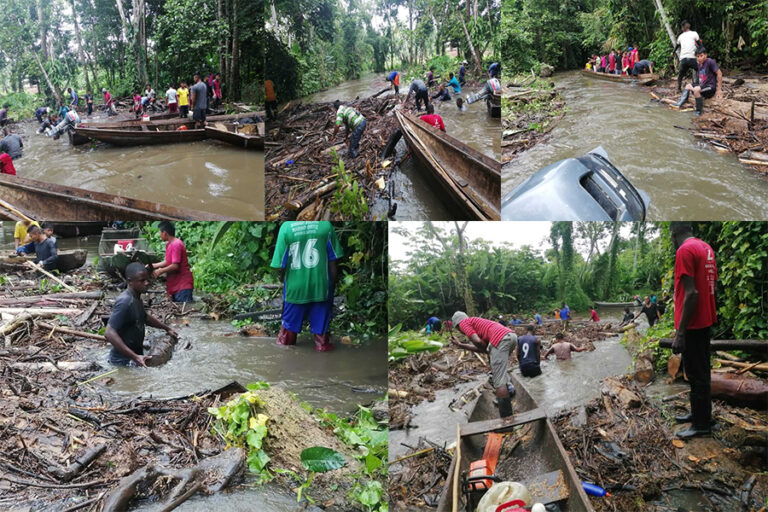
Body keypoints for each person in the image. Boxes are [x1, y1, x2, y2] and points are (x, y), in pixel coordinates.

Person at [670, 222, 718, 439]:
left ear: (673, 234)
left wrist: (680, 333)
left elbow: (692, 294)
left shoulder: (684, 251)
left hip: (692, 324)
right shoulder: (706, 248)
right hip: (703, 320)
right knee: (699, 372)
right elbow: (711, 286)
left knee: (697, 376)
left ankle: (701, 426)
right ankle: (699, 414)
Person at [270, 221, 344, 352]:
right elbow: (333, 260)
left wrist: (283, 278)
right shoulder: (325, 226)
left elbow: (278, 265)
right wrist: (331, 285)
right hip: (321, 287)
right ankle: (323, 361)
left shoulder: (287, 227)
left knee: (285, 340)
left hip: (295, 289)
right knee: (323, 340)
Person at [105, 262, 179, 367]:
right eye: (142, 280)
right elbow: (109, 332)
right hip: (122, 362)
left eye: (147, 279)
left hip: (134, 357)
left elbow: (145, 317)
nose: (146, 283)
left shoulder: (136, 297)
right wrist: (135, 357)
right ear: (130, 281)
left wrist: (167, 328)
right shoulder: (125, 302)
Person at [450, 311, 518, 417]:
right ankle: (509, 392)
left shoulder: (464, 323)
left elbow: (478, 342)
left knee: (498, 381)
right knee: (500, 372)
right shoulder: (474, 322)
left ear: (457, 325)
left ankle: (507, 420)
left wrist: (486, 350)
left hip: (501, 339)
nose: (461, 331)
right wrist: (461, 345)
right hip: (510, 336)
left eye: (458, 329)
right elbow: (485, 348)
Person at [151, 221, 194, 303]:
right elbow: (168, 261)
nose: (159, 235)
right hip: (176, 285)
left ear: (165, 233)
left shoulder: (176, 244)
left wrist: (161, 271)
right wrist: (154, 265)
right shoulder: (169, 244)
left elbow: (175, 266)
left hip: (182, 286)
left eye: (160, 232)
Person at [679, 47, 722, 116]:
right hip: (703, 87)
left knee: (696, 89)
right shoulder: (698, 64)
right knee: (688, 85)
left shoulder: (710, 62)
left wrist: (719, 90)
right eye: (698, 56)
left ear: (705, 55)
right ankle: (680, 103)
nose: (699, 58)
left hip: (710, 87)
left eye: (701, 56)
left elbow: (719, 74)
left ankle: (699, 111)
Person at [673, 21, 702, 93]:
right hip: (692, 58)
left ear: (683, 28)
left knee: (681, 75)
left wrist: (673, 52)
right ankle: (697, 86)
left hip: (683, 59)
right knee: (699, 70)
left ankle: (679, 89)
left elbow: (676, 46)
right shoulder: (694, 33)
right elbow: (700, 45)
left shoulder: (680, 36)